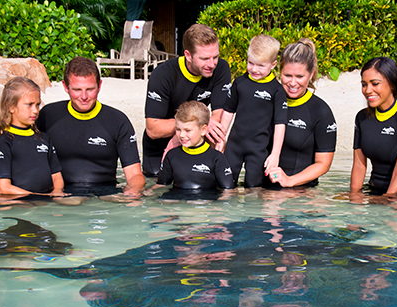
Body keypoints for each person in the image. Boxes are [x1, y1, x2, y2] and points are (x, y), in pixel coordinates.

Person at [36, 57, 145, 198]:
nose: (84, 96)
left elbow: (135, 175)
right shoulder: (48, 115)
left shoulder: (118, 121)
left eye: (90, 89)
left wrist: (132, 191)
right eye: (77, 89)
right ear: (65, 86)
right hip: (61, 195)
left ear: (99, 85)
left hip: (105, 195)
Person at [142, 24, 231, 177]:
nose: (212, 64)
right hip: (160, 146)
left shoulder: (221, 68)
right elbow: (153, 129)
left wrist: (191, 131)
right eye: (204, 58)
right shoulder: (163, 75)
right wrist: (183, 131)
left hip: (196, 142)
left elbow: (218, 117)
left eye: (215, 57)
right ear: (188, 55)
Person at [350, 57, 397, 200]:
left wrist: (386, 199)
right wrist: (354, 197)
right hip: (374, 190)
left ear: (392, 84)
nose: (368, 90)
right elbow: (359, 165)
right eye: (364, 84)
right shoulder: (362, 118)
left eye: (375, 84)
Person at [266, 39, 336, 188]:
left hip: (300, 195)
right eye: (287, 75)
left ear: (310, 75)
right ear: (279, 71)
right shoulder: (267, 101)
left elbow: (323, 163)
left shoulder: (320, 111)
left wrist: (290, 181)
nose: (292, 83)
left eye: (299, 77)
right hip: (262, 190)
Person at [219, 34, 287, 187]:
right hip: (234, 146)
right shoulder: (240, 82)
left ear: (273, 64)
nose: (254, 69)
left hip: (258, 150)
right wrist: (221, 139)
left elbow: (280, 124)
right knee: (225, 185)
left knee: (253, 189)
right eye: (250, 63)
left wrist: (275, 154)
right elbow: (229, 111)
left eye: (261, 65)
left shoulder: (277, 91)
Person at [0, 77, 64, 196]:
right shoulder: (4, 142)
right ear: (11, 106)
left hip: (47, 201)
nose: (35, 110)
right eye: (29, 105)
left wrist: (57, 192)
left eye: (37, 105)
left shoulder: (44, 139)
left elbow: (57, 176)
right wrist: (36, 198)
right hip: (20, 204)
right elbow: (4, 188)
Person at [146, 101, 234, 196]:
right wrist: (147, 193)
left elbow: (228, 191)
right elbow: (161, 185)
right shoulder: (172, 155)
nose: (182, 135)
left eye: (188, 130)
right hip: (178, 203)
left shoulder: (216, 158)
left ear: (203, 130)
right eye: (178, 129)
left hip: (206, 204)